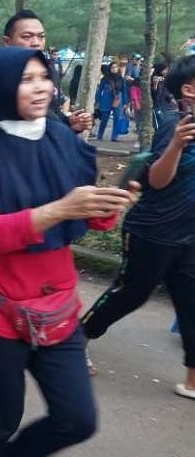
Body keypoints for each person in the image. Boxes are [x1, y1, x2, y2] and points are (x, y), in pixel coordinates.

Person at [0, 46, 135, 456]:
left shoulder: (63, 138)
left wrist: (110, 205)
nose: (40, 88)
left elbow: (86, 221)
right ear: (0, 86)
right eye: (26, 80)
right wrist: (57, 210)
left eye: (43, 77)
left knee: (77, 420)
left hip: (58, 312)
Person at [82, 55, 195, 400]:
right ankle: (78, 337)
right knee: (131, 292)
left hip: (189, 237)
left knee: (192, 303)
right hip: (151, 232)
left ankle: (193, 378)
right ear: (189, 90)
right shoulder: (175, 127)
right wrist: (177, 144)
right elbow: (158, 181)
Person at [1, 10, 91, 133]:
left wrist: (68, 122)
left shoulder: (49, 71)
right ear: (7, 42)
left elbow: (50, 113)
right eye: (27, 37)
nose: (36, 43)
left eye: (41, 37)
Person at [96, 62, 126, 141]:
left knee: (117, 118)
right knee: (104, 118)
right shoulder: (105, 79)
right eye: (112, 67)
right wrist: (98, 101)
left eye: (116, 67)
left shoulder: (121, 79)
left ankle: (114, 137)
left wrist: (126, 103)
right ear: (110, 69)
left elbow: (124, 91)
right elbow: (100, 90)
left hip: (118, 100)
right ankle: (100, 135)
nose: (114, 69)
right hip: (106, 100)